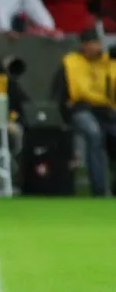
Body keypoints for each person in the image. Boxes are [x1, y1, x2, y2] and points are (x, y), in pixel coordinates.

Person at [52, 27, 116, 196]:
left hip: (106, 110)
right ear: (83, 45)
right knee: (94, 133)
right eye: (91, 43)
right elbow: (60, 93)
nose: (95, 47)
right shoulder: (71, 62)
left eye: (97, 43)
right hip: (80, 109)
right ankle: (99, 190)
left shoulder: (109, 62)